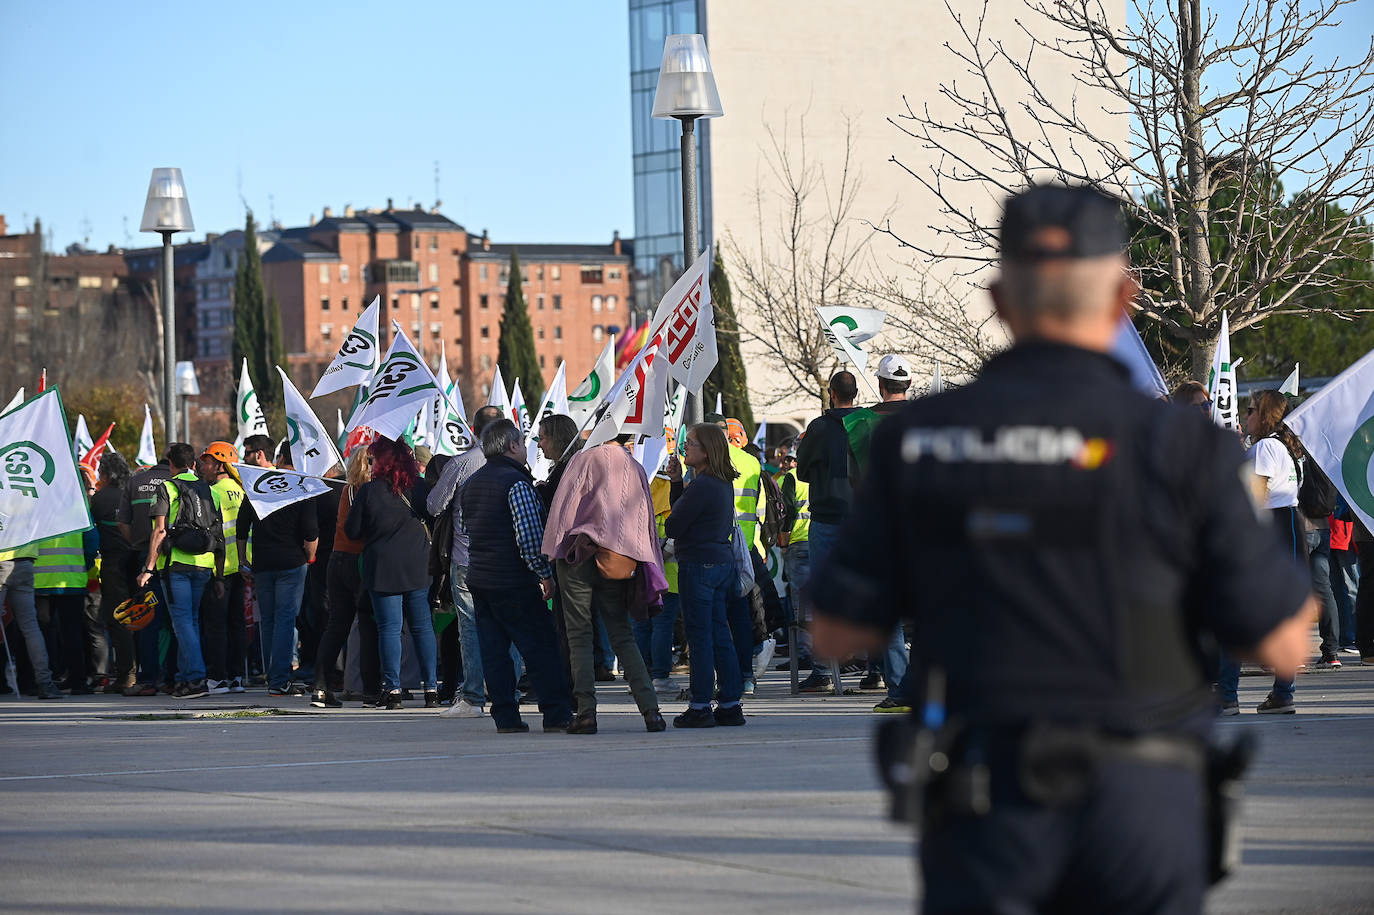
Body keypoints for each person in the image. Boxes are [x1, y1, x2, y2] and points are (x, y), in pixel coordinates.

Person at [807, 183, 1314, 915]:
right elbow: (1284, 644)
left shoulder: (921, 441)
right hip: (1142, 810)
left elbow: (835, 630)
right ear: (1124, 297)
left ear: (999, 298)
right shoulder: (1183, 446)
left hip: (986, 808)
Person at [543, 436, 668, 734]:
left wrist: (550, 553)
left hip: (578, 554)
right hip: (619, 559)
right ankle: (651, 710)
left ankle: (586, 712)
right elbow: (644, 520)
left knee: (579, 635)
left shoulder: (583, 459)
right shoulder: (635, 467)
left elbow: (563, 510)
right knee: (622, 635)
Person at [460, 419, 573, 734]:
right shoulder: (516, 483)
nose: (527, 448)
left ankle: (506, 717)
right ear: (512, 446)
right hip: (514, 580)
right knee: (540, 648)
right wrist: (544, 574)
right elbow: (529, 537)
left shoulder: (473, 483)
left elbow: (468, 530)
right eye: (523, 443)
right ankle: (556, 712)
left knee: (494, 653)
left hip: (480, 579)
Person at [1215, 390, 1307, 714]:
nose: (1246, 415)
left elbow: (1255, 497)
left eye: (1251, 410)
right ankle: (1283, 693)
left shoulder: (1266, 446)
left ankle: (1226, 694)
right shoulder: (1284, 446)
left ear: (1265, 414)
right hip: (1288, 527)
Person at [794, 371, 878, 692]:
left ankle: (823, 670)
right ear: (855, 393)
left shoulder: (819, 427)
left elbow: (802, 469)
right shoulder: (867, 424)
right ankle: (875, 668)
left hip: (827, 516)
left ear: (831, 393)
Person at [345, 436, 438, 710]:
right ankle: (431, 688)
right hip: (417, 564)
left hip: (382, 566)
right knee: (422, 627)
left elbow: (353, 531)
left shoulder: (369, 492)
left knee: (389, 629)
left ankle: (393, 688)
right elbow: (433, 517)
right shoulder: (418, 487)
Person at [427, 404, 508, 718]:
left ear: (473, 430)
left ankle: (474, 695)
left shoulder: (462, 463)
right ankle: (508, 689)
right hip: (503, 559)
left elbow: (435, 505)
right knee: (506, 624)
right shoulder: (514, 464)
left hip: (467, 559)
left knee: (471, 628)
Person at [665, 423, 745, 728]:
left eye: (692, 443)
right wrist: (676, 483)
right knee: (719, 633)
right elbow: (682, 514)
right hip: (718, 563)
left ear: (708, 450)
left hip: (699, 564)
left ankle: (700, 705)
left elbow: (674, 526)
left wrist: (679, 490)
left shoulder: (703, 485)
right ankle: (729, 703)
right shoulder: (718, 482)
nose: (686, 446)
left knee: (699, 638)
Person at [135, 442, 225, 700]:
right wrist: (219, 576)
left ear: (170, 464)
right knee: (191, 621)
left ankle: (196, 679)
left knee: (182, 622)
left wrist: (147, 569)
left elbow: (160, 531)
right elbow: (219, 537)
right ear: (194, 464)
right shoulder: (211, 491)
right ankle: (186, 679)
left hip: (176, 565)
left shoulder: (167, 487)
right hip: (204, 564)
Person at [238, 435, 318, 696]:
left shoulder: (257, 484)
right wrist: (309, 556)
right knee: (285, 620)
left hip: (262, 563)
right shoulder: (302, 486)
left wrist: (242, 559)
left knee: (269, 621)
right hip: (291, 562)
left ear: (280, 457)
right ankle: (279, 680)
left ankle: (273, 676)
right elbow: (310, 531)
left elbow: (241, 526)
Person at [313, 449, 381, 708]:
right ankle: (371, 691)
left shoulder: (346, 490)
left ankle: (320, 686)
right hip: (359, 561)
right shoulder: (370, 492)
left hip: (336, 559)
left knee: (336, 626)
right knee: (367, 626)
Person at [118, 448, 176, 695]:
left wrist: (138, 544)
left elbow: (122, 522)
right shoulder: (179, 481)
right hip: (176, 559)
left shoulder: (136, 480)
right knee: (178, 621)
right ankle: (174, 677)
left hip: (144, 559)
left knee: (148, 619)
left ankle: (149, 678)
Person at [198, 443, 247, 694]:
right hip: (241, 567)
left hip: (220, 569)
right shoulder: (241, 490)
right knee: (237, 624)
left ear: (219, 465)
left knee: (216, 625)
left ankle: (217, 678)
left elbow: (214, 535)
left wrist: (216, 573)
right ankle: (237, 677)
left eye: (206, 462)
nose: (201, 466)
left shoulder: (212, 493)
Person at [91, 453, 136, 693]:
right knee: (141, 618)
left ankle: (126, 676)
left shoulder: (99, 499)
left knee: (118, 618)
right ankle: (144, 674)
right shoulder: (132, 493)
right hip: (138, 563)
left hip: (113, 564)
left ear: (106, 475)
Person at [0, 541, 60, 699]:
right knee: (30, 627)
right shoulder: (27, 514)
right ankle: (45, 683)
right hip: (25, 563)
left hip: (1, 559)